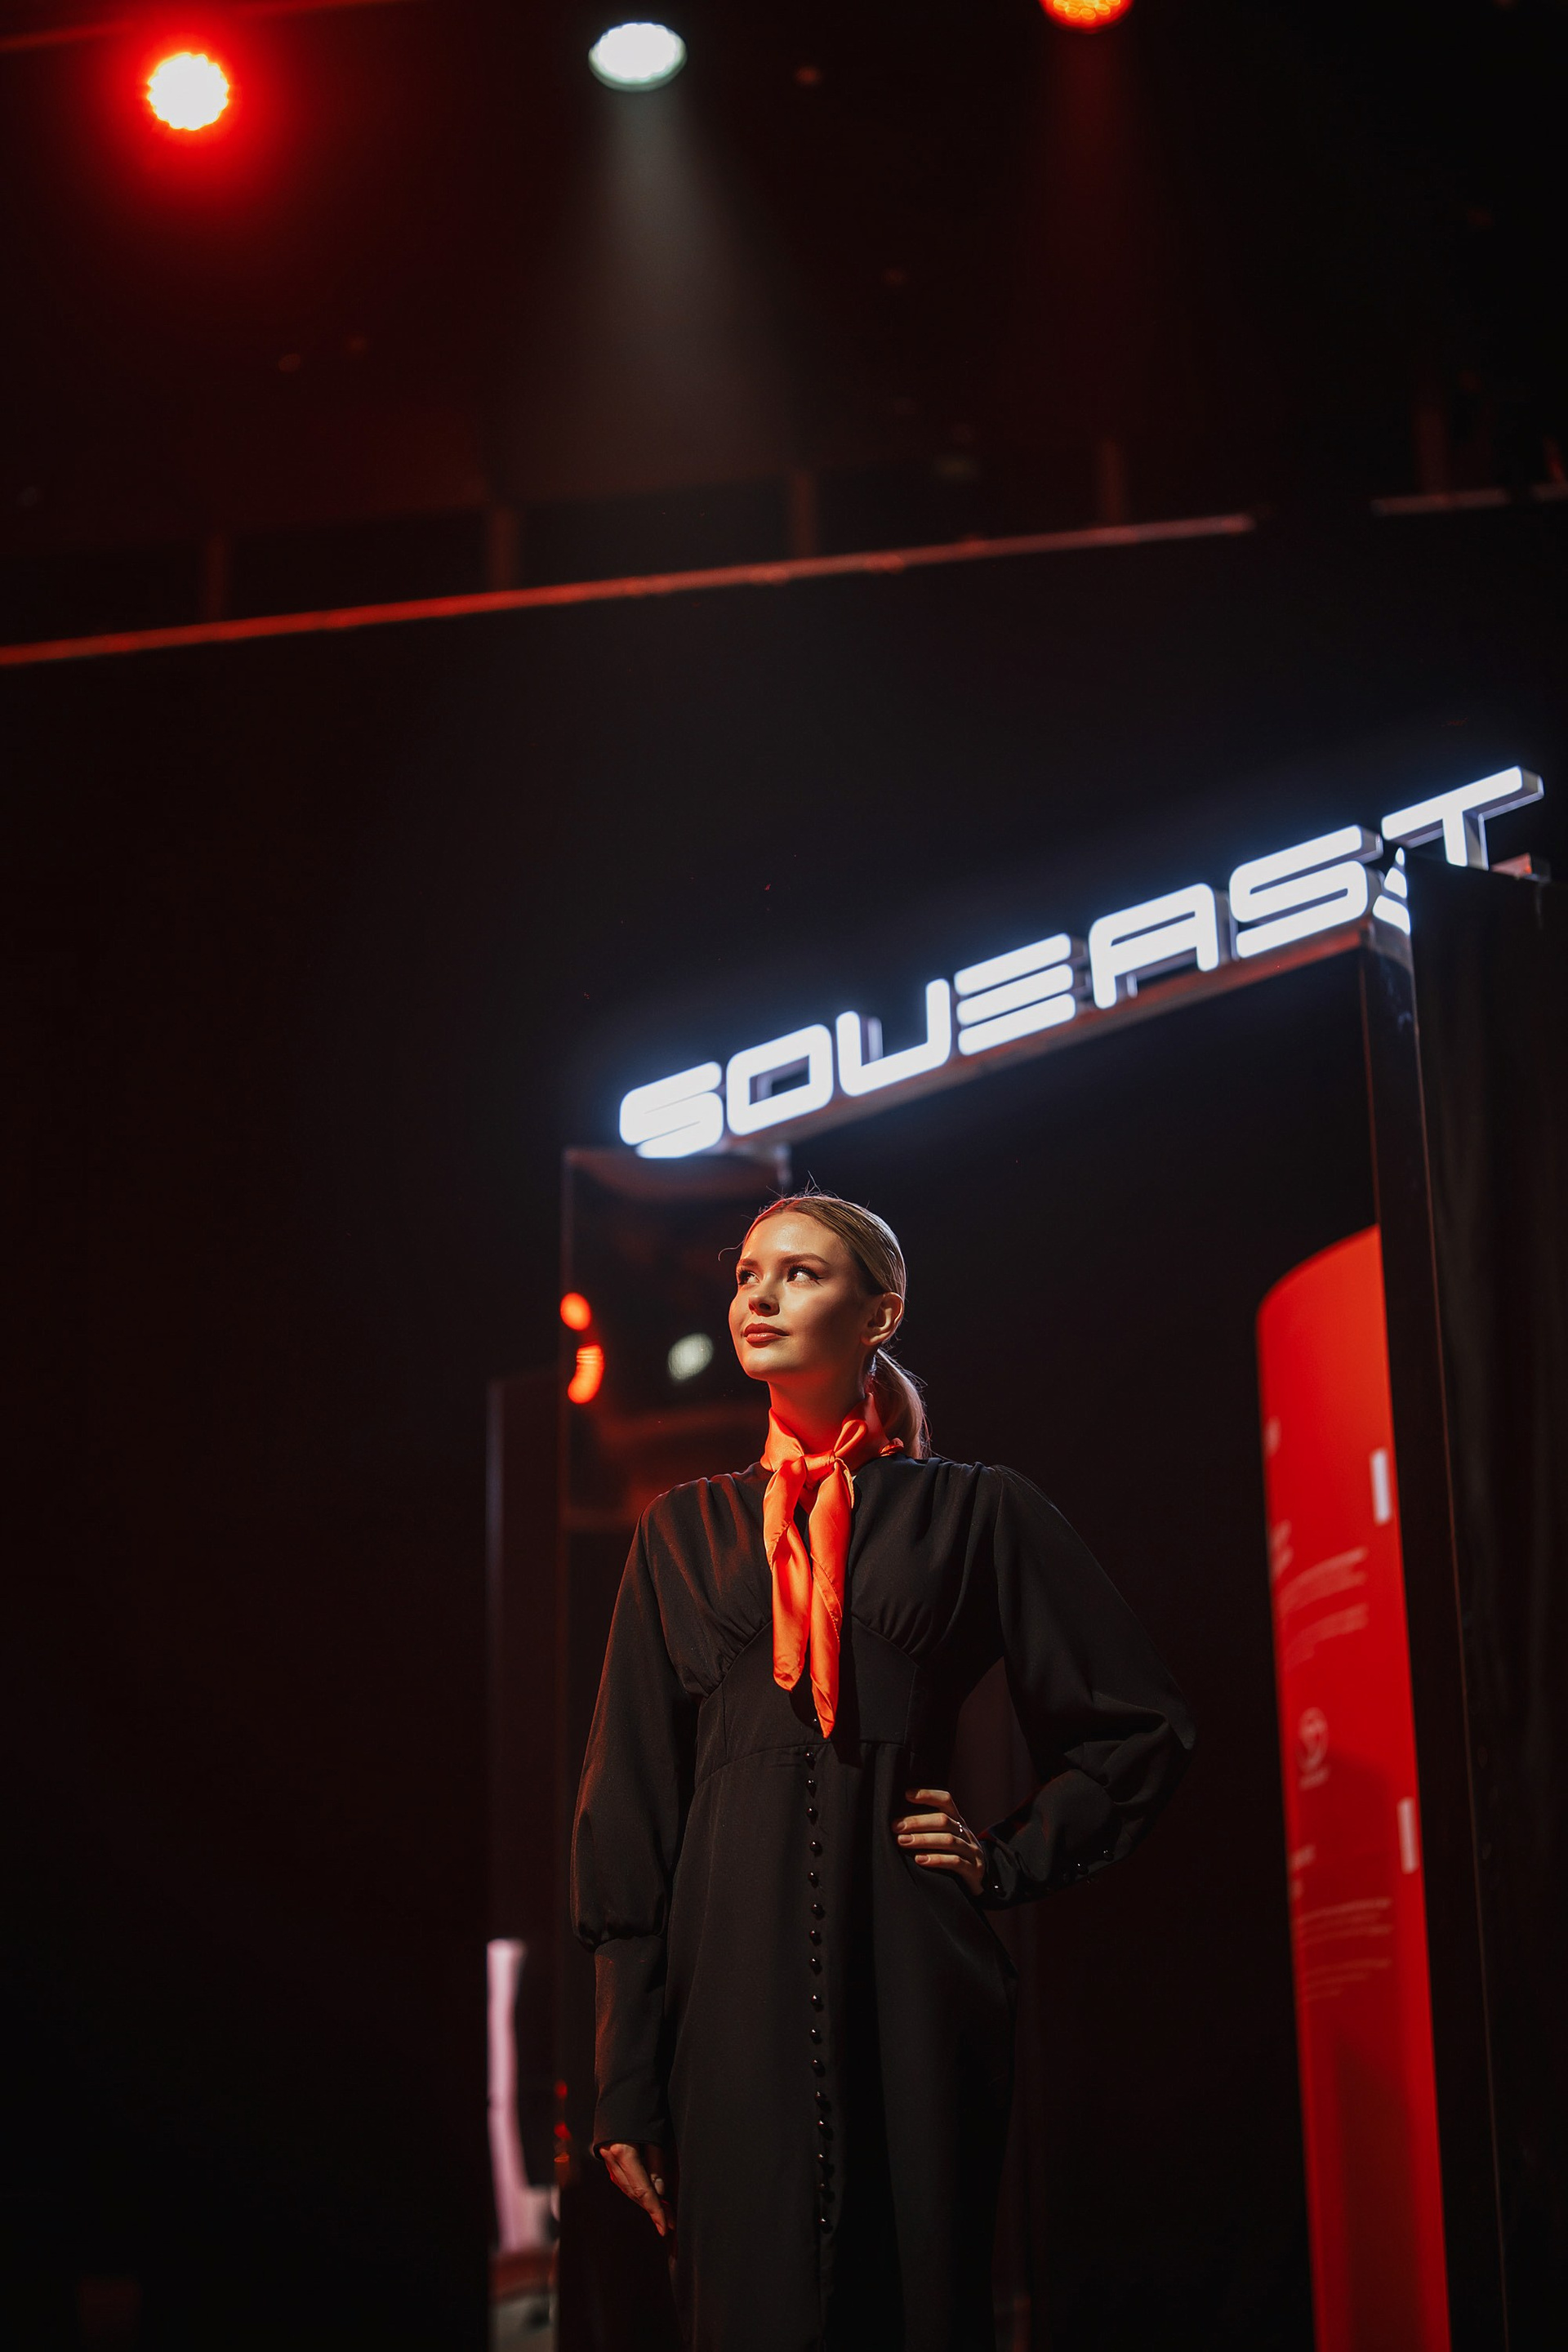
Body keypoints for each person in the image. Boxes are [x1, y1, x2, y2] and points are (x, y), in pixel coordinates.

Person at [571, 1192, 1193, 2351]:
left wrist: (1006, 1858)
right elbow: (630, 1820)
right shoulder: (680, 1535)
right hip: (724, 2001)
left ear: (881, 1314)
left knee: (915, 2309)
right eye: (747, 1275)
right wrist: (627, 2078)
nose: (758, 1297)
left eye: (799, 1273)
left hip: (916, 1981)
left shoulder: (973, 1512)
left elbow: (1138, 1728)